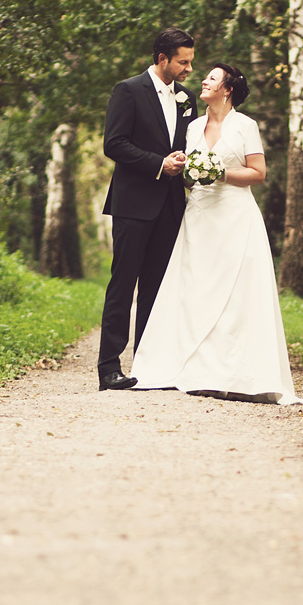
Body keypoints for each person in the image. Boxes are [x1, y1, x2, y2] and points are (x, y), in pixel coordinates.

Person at [131, 64, 303, 406]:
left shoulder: (245, 126)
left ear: (227, 89)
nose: (203, 81)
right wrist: (184, 166)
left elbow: (258, 173)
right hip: (198, 216)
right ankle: (197, 372)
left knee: (237, 295)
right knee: (196, 291)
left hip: (235, 216)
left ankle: (236, 374)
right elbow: (188, 177)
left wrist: (221, 172)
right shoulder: (193, 125)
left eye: (211, 78)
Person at [97, 27, 198, 390]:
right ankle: (109, 368)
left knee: (157, 288)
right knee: (123, 285)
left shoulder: (187, 98)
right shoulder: (128, 90)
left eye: (190, 61)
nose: (188, 68)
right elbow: (115, 144)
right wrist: (159, 164)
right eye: (183, 62)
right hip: (133, 202)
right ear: (162, 59)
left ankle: (147, 365)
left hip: (171, 205)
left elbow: (189, 144)